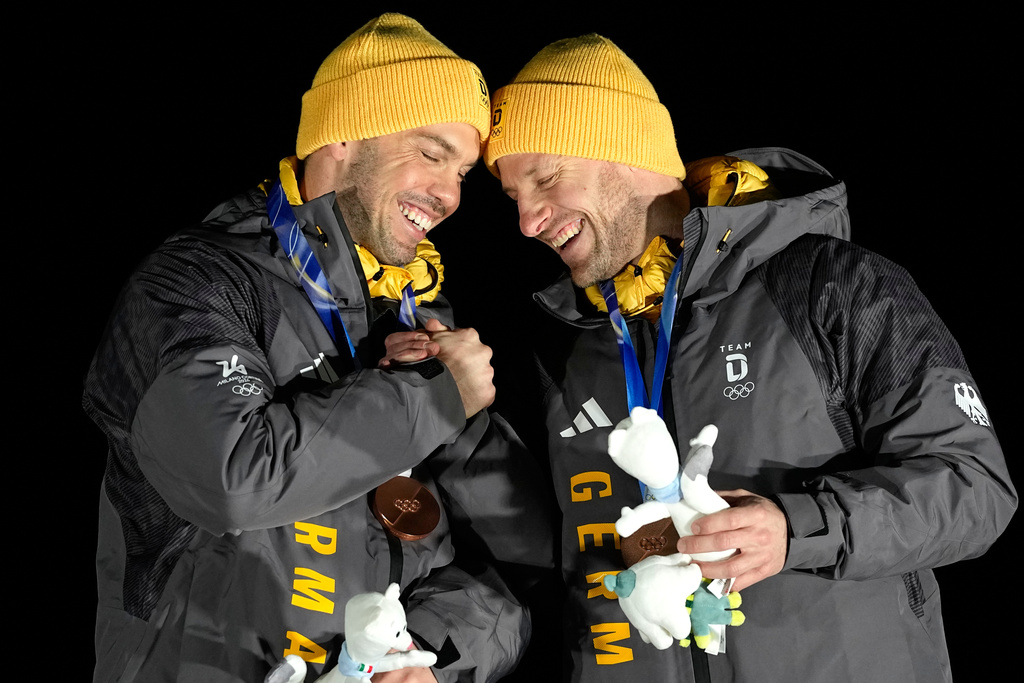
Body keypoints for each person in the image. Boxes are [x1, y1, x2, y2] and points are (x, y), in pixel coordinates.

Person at [479, 34, 1016, 681]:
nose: (528, 221)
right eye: (514, 197)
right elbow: (553, 560)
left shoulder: (828, 283)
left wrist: (798, 529)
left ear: (621, 147)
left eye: (544, 178)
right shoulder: (572, 343)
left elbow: (974, 487)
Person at [83, 14, 550, 683]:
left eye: (465, 173)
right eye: (430, 152)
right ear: (343, 132)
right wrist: (436, 399)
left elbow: (518, 564)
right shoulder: (196, 282)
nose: (449, 195)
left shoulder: (420, 317)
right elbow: (232, 477)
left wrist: (427, 653)